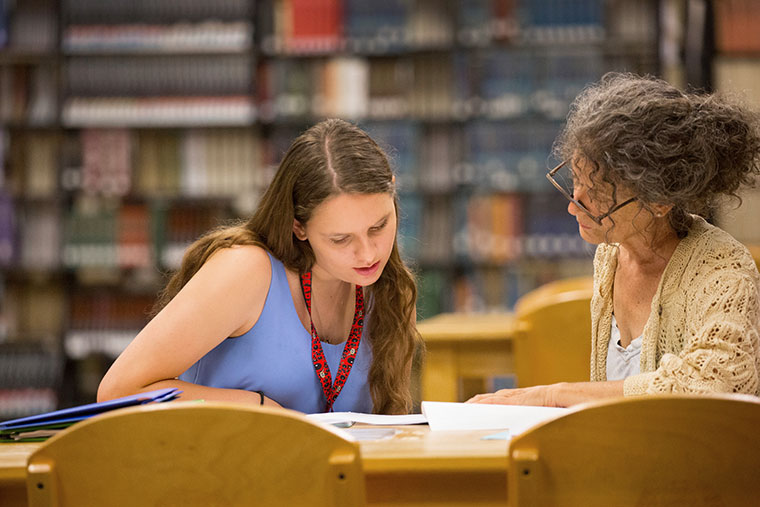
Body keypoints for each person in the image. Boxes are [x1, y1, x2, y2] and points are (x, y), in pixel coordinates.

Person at [469, 72, 760, 407]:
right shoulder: (610, 255)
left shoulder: (723, 270)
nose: (573, 204)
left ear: (659, 200)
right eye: (575, 181)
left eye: (597, 195)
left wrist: (555, 394)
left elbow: (711, 385)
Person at [98, 119, 422, 415]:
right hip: (218, 473)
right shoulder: (246, 271)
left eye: (379, 226)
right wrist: (256, 408)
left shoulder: (390, 291)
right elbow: (119, 392)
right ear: (299, 228)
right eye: (340, 239)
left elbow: (385, 430)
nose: (367, 254)